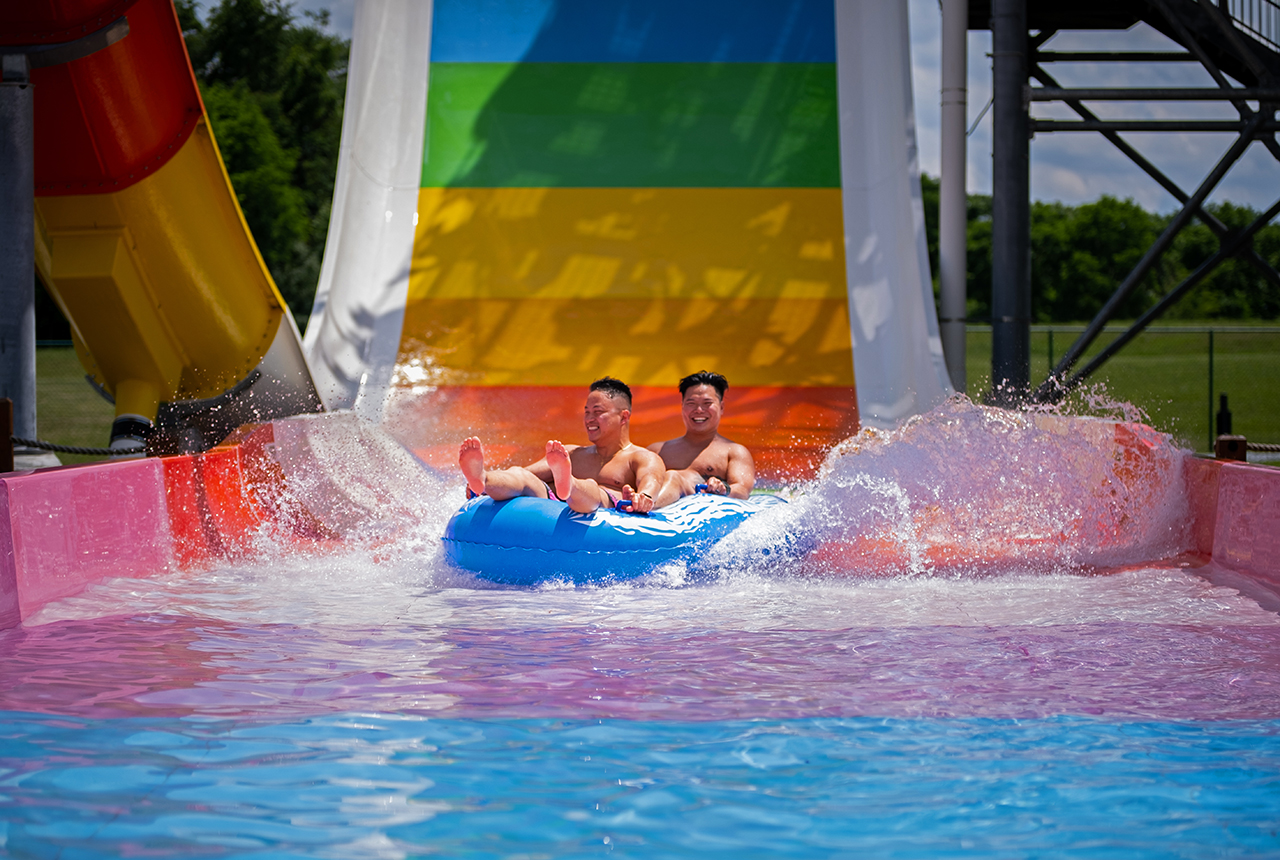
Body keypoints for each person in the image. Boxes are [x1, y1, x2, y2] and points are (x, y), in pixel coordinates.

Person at [459, 377, 666, 515]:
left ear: (623, 417)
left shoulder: (640, 457)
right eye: (586, 412)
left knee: (593, 489)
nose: (589, 418)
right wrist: (491, 483)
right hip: (556, 508)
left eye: (597, 411)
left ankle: (570, 484)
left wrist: (644, 497)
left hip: (604, 509)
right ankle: (483, 479)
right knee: (523, 477)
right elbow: (524, 473)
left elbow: (651, 482)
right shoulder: (571, 453)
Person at [648, 371, 756, 507]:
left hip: (702, 514)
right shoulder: (657, 451)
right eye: (691, 403)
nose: (699, 410)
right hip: (663, 513)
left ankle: (647, 505)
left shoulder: (734, 452)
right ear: (682, 406)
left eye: (707, 403)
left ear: (721, 407)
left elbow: (742, 491)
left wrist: (723, 489)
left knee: (674, 478)